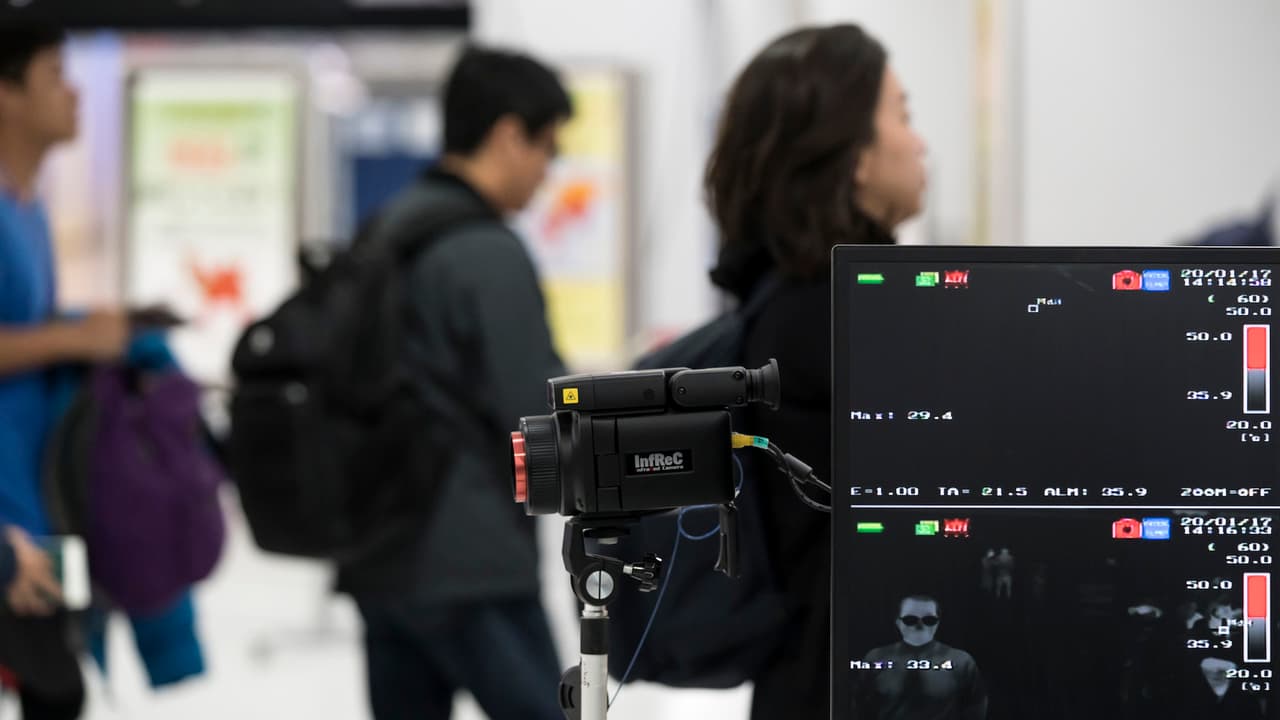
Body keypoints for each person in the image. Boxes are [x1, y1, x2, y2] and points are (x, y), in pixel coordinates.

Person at [335, 45, 571, 720]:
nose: (546, 173)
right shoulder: (487, 250)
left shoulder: (383, 229)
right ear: (506, 135)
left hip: (378, 552)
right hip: (471, 561)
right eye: (545, 149)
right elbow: (532, 409)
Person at [704, 24, 927, 719]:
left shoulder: (782, 302)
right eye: (904, 115)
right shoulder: (847, 317)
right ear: (855, 157)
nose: (919, 144)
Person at [0, 24, 129, 720]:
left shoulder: (31, 207)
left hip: (39, 497)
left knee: (60, 692)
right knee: (56, 690)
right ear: (5, 93)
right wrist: (71, 338)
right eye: (54, 74)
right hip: (5, 520)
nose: (75, 91)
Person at [853, 596, 988, 720]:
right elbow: (860, 706)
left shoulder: (962, 661)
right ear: (897, 622)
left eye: (929, 620)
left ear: (938, 623)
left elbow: (976, 707)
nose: (920, 626)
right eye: (910, 620)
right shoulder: (876, 658)